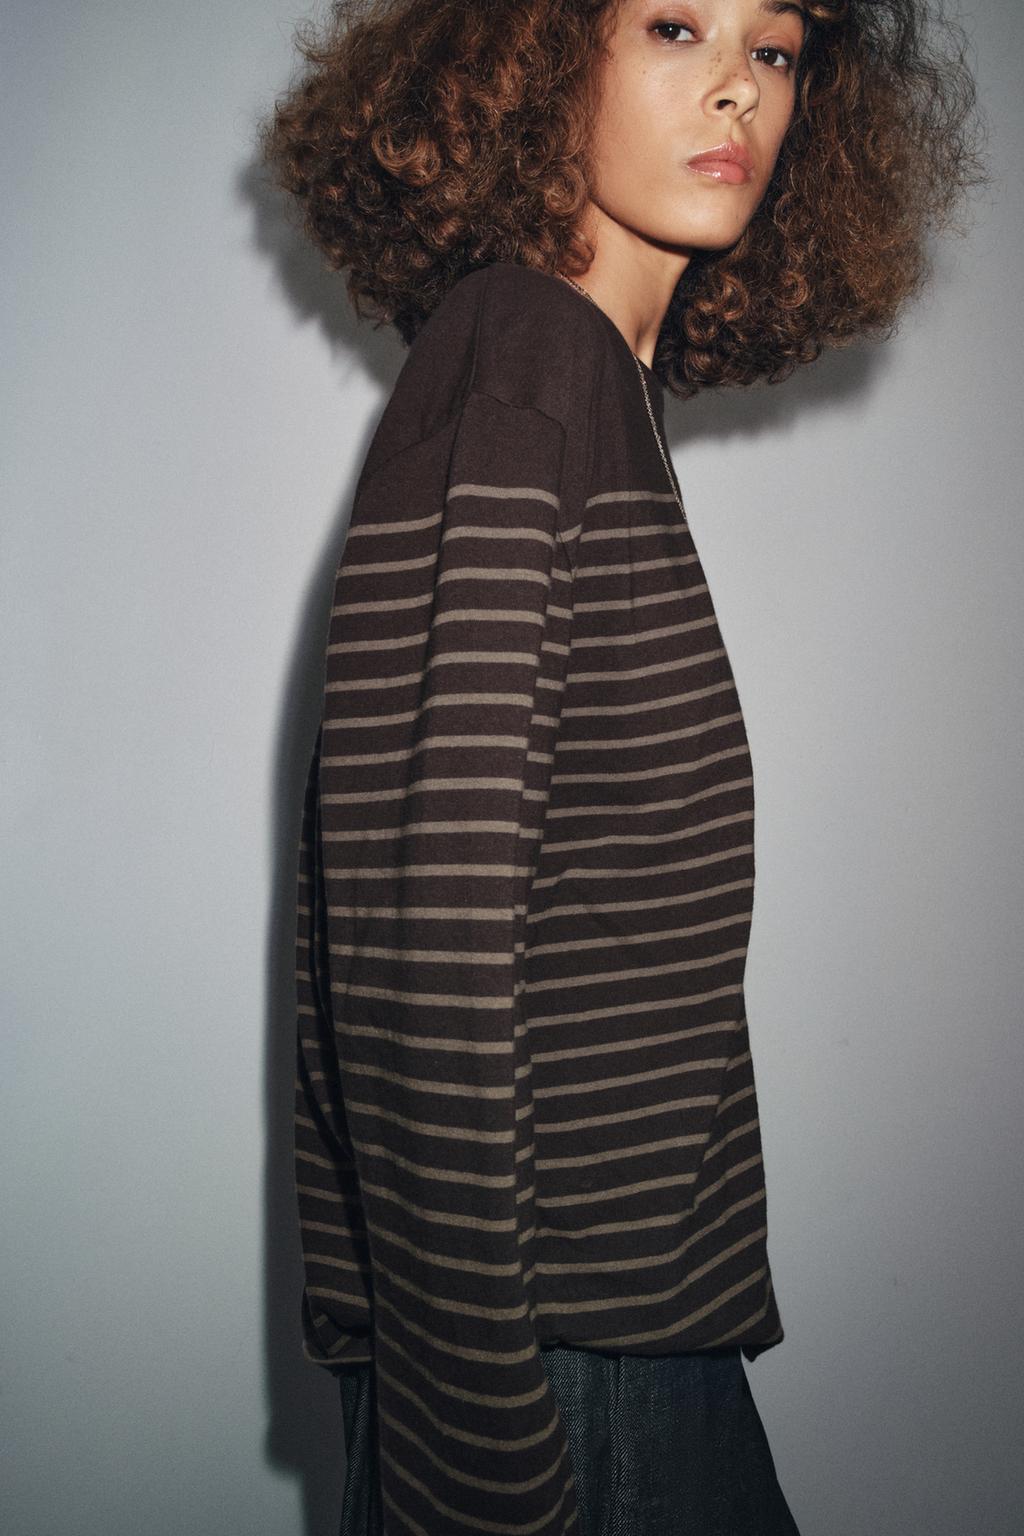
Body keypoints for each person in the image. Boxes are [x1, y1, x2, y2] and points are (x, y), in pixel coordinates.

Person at [258, 1, 981, 1532]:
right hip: (552, 1377)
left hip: (629, 1344)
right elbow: (420, 941)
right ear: (528, 58)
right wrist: (481, 1464)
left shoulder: (594, 387)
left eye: (775, 46)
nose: (737, 88)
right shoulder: (521, 356)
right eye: (672, 24)